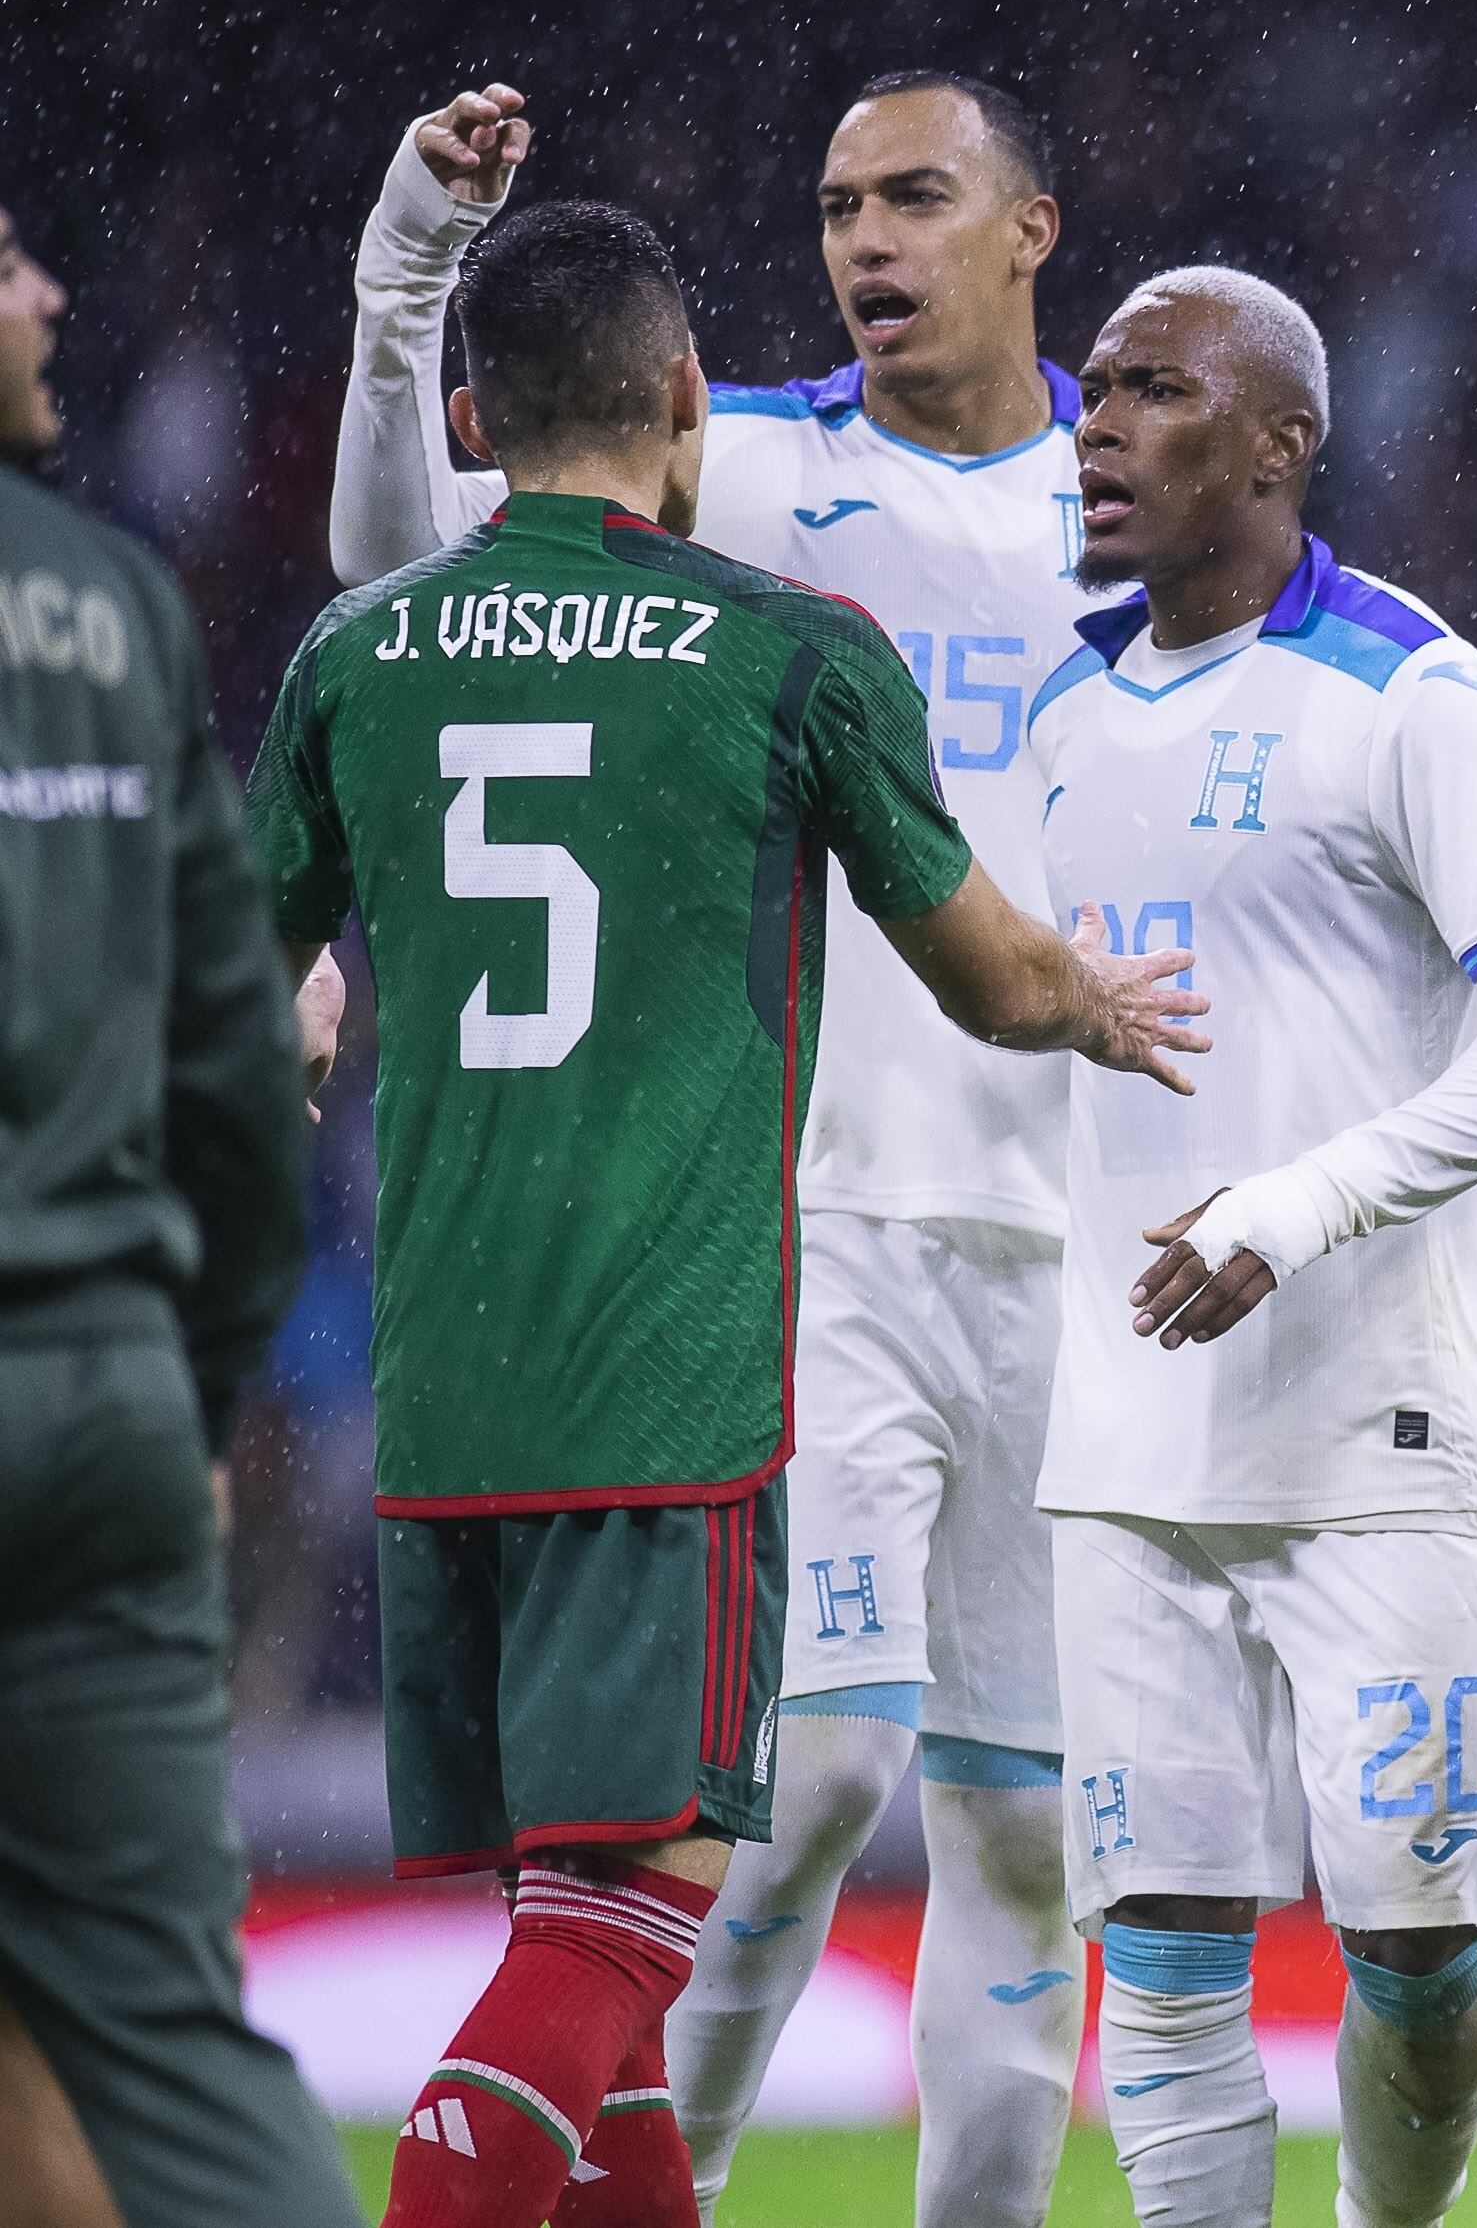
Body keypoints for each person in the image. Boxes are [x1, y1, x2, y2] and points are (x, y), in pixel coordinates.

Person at [249, 196, 1204, 2228]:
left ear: (480, 415)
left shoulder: (355, 654)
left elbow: (237, 995)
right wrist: (1098, 1003)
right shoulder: (784, 643)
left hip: (434, 1395)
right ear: (687, 400)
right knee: (627, 1924)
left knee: (587, 1923)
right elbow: (987, 976)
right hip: (670, 1378)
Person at [1027, 265, 1477, 2228]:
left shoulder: (1412, 693)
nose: (1099, 424)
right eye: (1092, 390)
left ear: (1281, 444)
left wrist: (1294, 1207)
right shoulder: (1054, 706)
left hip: (1379, 1439)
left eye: (1154, 392)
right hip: (1120, 1442)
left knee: (1412, 1959)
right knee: (1171, 1958)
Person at [0, 196, 360, 2228]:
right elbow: (244, 1076)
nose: (50, 293)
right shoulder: (112, 604)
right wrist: (190, 1385)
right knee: (151, 2030)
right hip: (105, 1404)